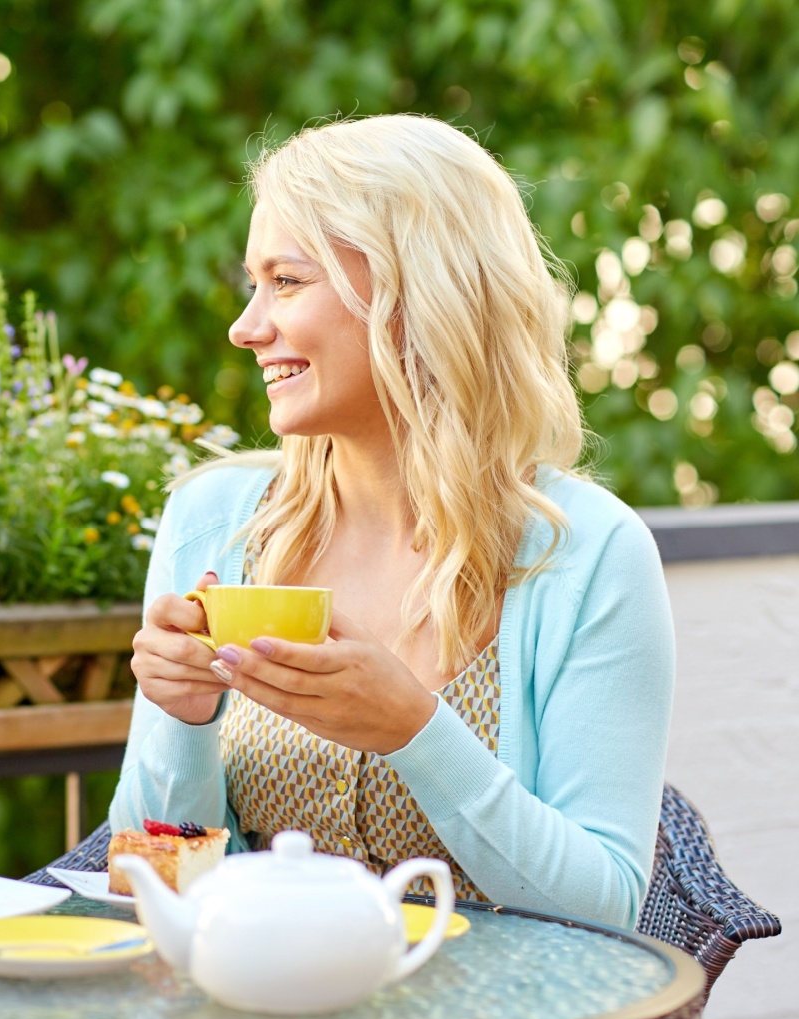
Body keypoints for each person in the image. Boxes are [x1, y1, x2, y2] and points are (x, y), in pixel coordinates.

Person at [109, 114, 673, 929]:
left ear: (417, 291)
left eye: (287, 282)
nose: (246, 327)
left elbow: (607, 906)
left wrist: (418, 731)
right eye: (252, 285)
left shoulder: (589, 555)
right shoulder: (214, 524)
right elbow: (149, 870)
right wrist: (184, 717)